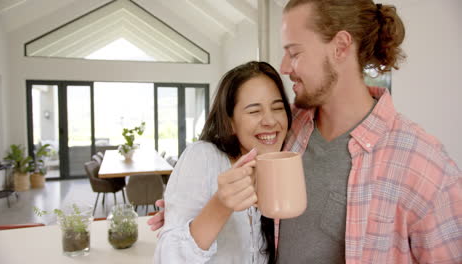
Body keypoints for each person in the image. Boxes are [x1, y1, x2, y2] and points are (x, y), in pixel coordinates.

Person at [150, 0, 462, 263]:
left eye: (295, 52)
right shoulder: (292, 126)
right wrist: (188, 207)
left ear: (340, 47)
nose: (284, 66)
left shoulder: (427, 168)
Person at [153, 61, 292, 263]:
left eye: (278, 108)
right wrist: (220, 204)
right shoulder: (202, 156)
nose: (270, 121)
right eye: (254, 111)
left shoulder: (280, 166)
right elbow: (168, 257)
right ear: (230, 122)